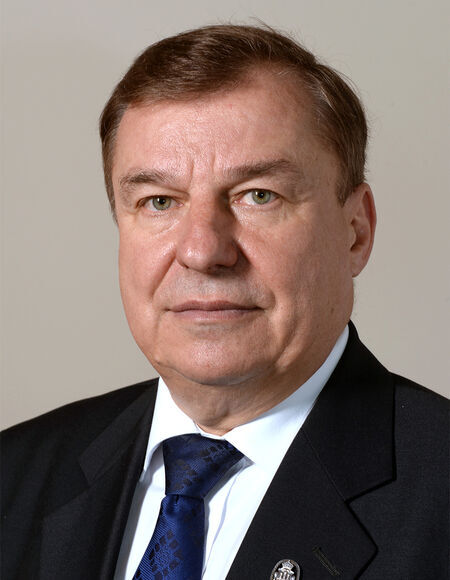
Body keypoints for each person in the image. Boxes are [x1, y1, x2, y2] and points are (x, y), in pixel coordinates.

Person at [1, 24, 448, 580]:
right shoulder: (15, 475)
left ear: (355, 232)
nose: (203, 251)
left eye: (258, 195)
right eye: (159, 201)